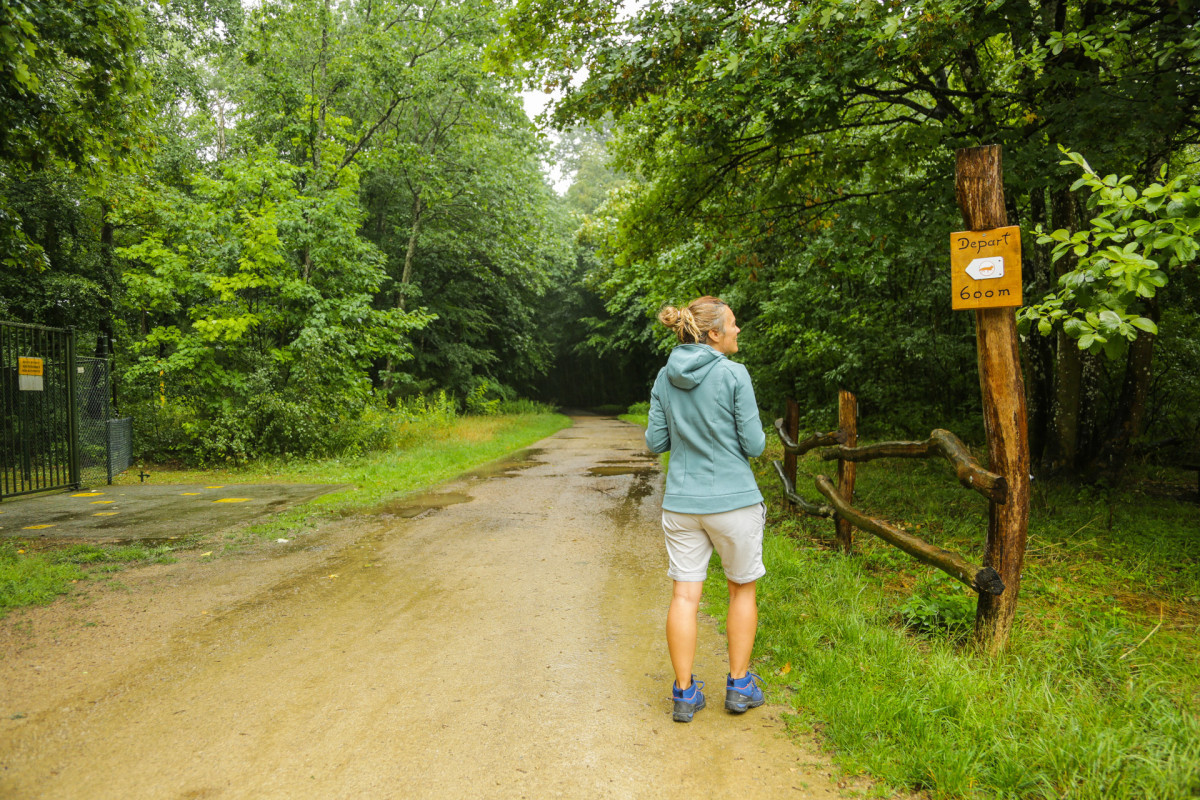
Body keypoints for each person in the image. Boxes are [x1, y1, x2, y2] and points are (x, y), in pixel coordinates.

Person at [645, 296, 768, 723]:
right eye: (733, 323)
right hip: (734, 502)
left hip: (681, 504)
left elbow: (656, 442)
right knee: (741, 589)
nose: (738, 329)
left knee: (684, 595)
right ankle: (739, 686)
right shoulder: (734, 374)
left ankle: (684, 693)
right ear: (714, 333)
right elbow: (755, 445)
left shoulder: (664, 376)